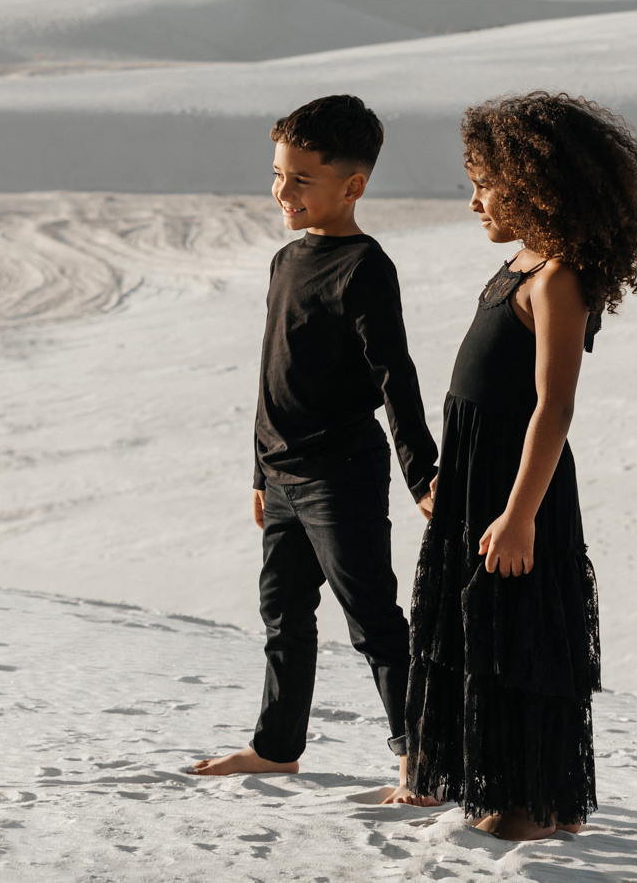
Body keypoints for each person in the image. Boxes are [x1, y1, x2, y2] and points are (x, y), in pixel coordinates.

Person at [405, 91, 637, 840]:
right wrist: (447, 485)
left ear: (538, 187)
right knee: (473, 633)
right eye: (472, 181)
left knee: (520, 638)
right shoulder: (517, 265)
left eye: (487, 184)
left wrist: (517, 516)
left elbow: (551, 408)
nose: (474, 202)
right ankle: (498, 789)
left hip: (520, 490)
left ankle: (536, 808)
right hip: (477, 480)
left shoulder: (557, 279)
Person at [190, 95, 441, 804]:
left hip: (341, 473)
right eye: (278, 174)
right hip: (282, 473)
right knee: (282, 616)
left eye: (301, 179)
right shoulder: (284, 261)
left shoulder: (364, 266)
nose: (281, 191)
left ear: (351, 186)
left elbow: (396, 376)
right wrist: (257, 470)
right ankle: (276, 748)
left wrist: (422, 473)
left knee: (372, 619)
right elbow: (271, 372)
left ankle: (420, 756)